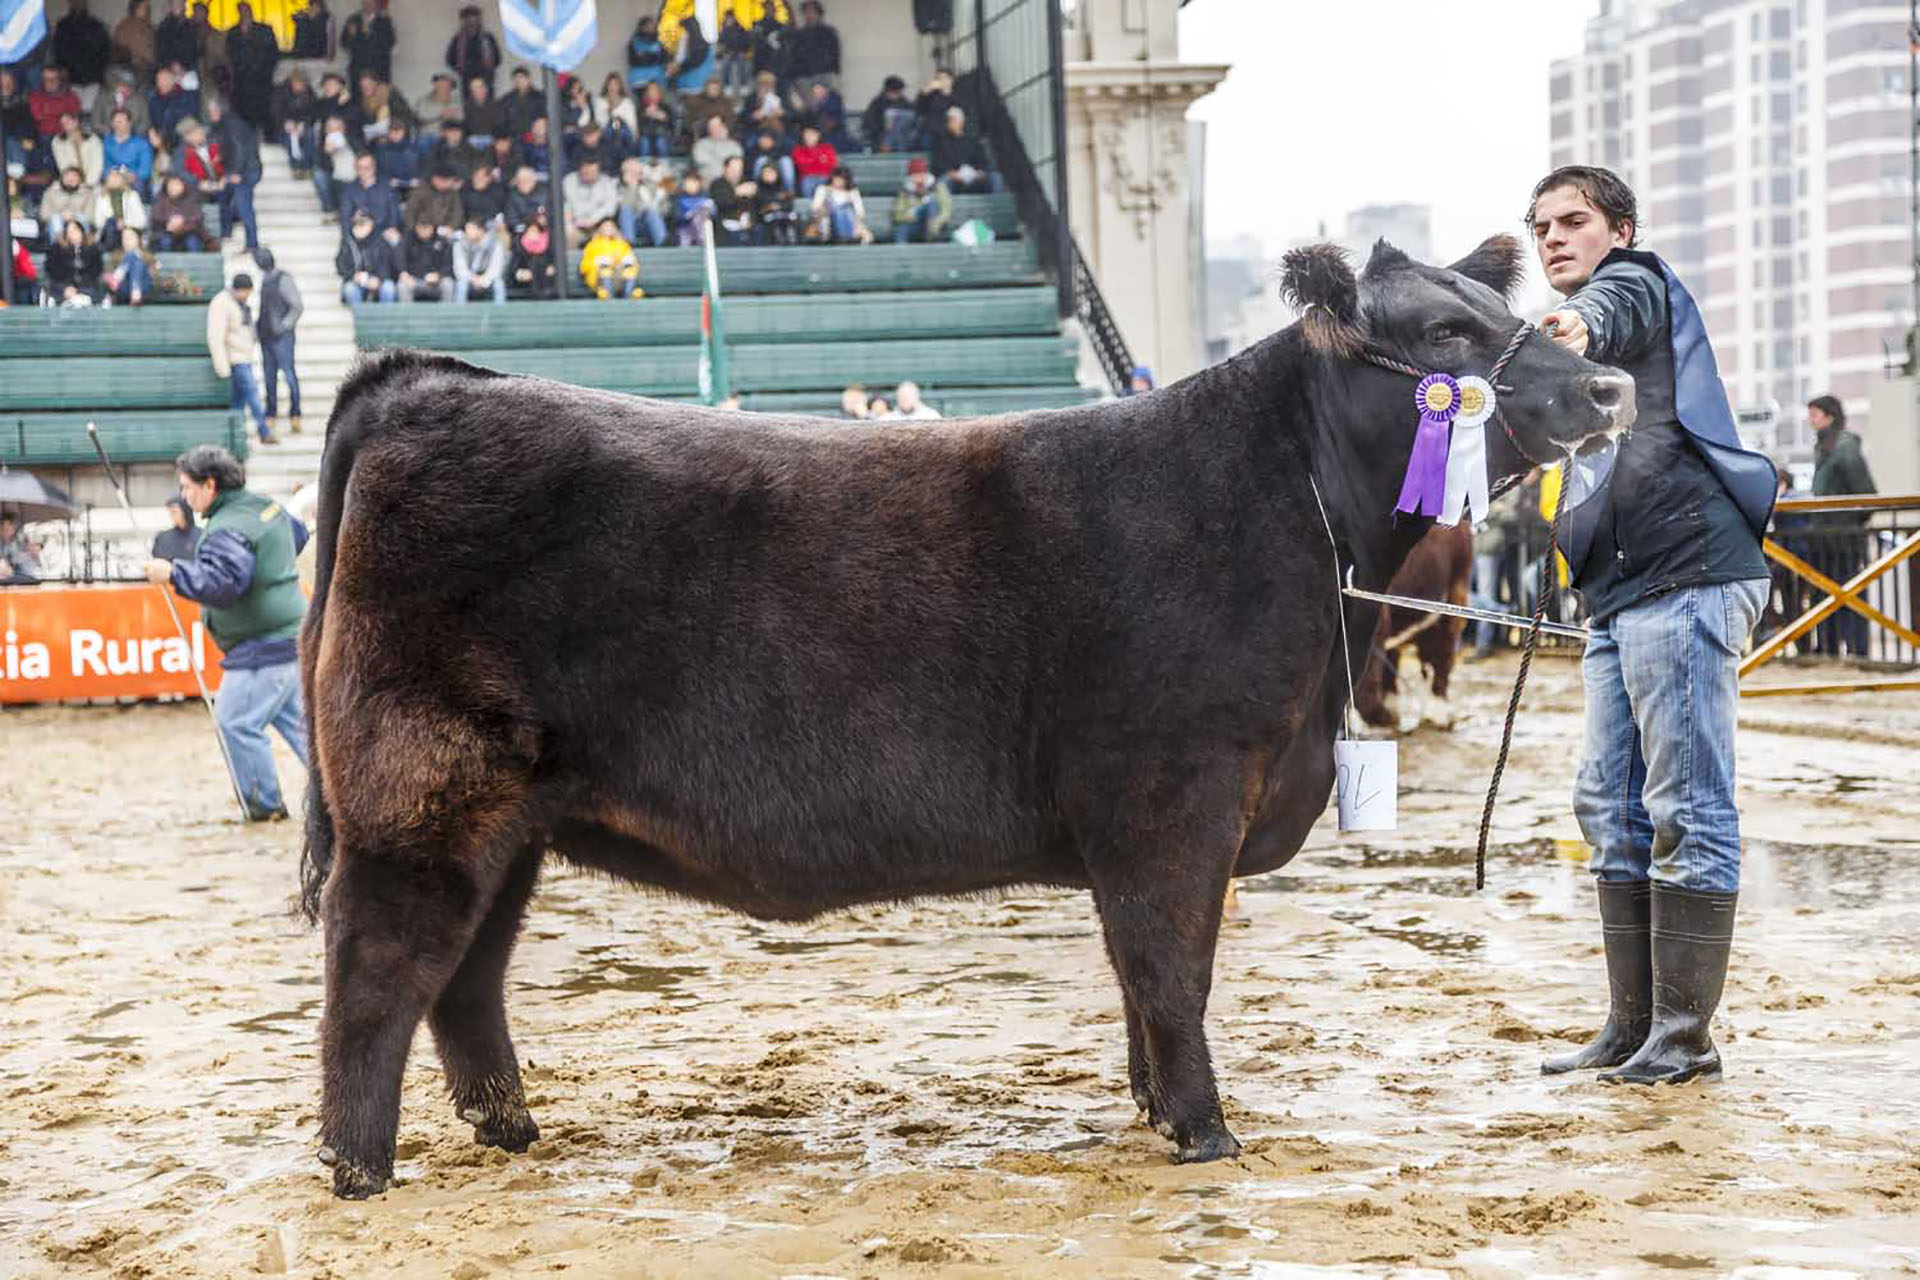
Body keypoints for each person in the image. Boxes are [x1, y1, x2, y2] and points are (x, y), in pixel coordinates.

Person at [1529, 165, 1776, 1087]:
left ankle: (1683, 1037)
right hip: (1621, 594)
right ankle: (1631, 1027)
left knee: (1685, 806)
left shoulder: (1632, 285)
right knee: (1609, 807)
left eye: (1575, 221)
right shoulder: (1569, 354)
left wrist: (1576, 323)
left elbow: (1615, 305)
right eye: (1541, 225)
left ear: (1620, 229)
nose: (1554, 236)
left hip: (1689, 576)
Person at [144, 445, 309, 822]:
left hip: (260, 648)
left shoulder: (226, 528)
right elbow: (296, 536)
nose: (185, 497)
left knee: (236, 723)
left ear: (210, 485)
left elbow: (223, 584)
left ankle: (265, 809)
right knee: (306, 732)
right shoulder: (266, 507)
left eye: (188, 488)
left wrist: (172, 573)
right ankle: (341, 799)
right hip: (292, 636)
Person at [1806, 394, 1878, 658]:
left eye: (1814, 414)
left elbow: (1866, 497)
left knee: (1851, 595)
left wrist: (1844, 523)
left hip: (1843, 539)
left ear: (1829, 416)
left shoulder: (1844, 448)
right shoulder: (1824, 447)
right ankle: (1830, 648)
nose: (1810, 420)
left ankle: (1857, 651)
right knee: (1826, 596)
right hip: (1825, 539)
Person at [208, 271, 272, 443]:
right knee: (252, 394)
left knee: (238, 403)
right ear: (239, 290)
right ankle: (264, 431)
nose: (247, 296)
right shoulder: (222, 303)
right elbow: (215, 336)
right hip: (235, 360)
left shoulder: (238, 303)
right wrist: (222, 367)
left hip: (245, 358)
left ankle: (233, 438)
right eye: (246, 292)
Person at [254, 247, 303, 435]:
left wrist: (284, 326)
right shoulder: (265, 279)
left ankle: (295, 414)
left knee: (289, 375)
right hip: (266, 336)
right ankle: (271, 413)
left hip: (282, 337)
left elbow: (297, 306)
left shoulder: (283, 278)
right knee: (269, 377)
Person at [206, 95, 261, 250]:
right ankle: (226, 233)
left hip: (245, 170)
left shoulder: (233, 124)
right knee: (223, 197)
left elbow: (240, 149)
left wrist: (236, 173)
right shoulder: (225, 124)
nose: (210, 115)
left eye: (211, 111)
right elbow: (230, 147)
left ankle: (252, 244)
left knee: (244, 206)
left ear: (218, 110)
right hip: (238, 168)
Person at [226, 3, 279, 136]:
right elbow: (229, 56)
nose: (245, 14)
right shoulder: (233, 33)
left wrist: (264, 72)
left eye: (247, 11)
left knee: (264, 114)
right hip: (241, 83)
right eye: (242, 11)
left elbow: (273, 54)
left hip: (261, 81)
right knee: (243, 116)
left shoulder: (264, 30)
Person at [336, 208, 396, 301]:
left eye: (363, 224)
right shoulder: (348, 242)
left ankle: (386, 315)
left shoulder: (380, 241)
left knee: (388, 288)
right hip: (356, 281)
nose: (359, 227)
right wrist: (353, 276)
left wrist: (379, 279)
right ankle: (359, 315)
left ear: (371, 225)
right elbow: (341, 265)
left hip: (377, 280)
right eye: (357, 224)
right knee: (350, 289)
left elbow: (387, 264)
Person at [931, 106, 993, 195]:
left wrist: (979, 171)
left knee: (995, 178)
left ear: (961, 121)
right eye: (950, 120)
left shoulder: (972, 140)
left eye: (955, 120)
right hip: (952, 176)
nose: (952, 122)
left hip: (973, 175)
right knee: (943, 182)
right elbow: (938, 163)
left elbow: (982, 160)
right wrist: (952, 173)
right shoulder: (940, 141)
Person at [562, 153, 618, 247]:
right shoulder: (569, 181)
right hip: (576, 224)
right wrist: (571, 219)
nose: (590, 174)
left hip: (598, 224)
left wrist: (593, 220)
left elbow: (610, 207)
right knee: (567, 230)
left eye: (593, 171)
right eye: (586, 171)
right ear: (580, 169)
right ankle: (569, 261)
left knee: (609, 229)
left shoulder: (606, 182)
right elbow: (565, 205)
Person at [45, 220, 106, 304]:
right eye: (69, 232)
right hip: (63, 287)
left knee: (90, 295)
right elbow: (53, 272)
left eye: (75, 230)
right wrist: (66, 287)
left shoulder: (93, 249)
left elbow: (96, 271)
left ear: (81, 231)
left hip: (87, 287)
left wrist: (79, 289)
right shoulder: (57, 249)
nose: (73, 234)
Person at [890, 157, 950, 244]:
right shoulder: (905, 190)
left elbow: (946, 209)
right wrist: (908, 216)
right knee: (900, 228)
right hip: (914, 222)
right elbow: (898, 214)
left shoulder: (937, 186)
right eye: (916, 174)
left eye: (922, 173)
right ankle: (900, 251)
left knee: (931, 203)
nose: (919, 177)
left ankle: (932, 237)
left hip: (936, 224)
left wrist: (938, 221)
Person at [337, 148, 399, 232]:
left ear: (374, 167)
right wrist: (353, 221)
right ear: (355, 169)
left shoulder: (387, 188)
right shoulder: (349, 190)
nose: (363, 171)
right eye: (359, 168)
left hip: (383, 234)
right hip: (359, 234)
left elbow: (394, 216)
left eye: (367, 168)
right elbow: (345, 219)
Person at [786, 1, 840, 96]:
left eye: (812, 11)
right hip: (803, 76)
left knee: (822, 102)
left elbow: (834, 53)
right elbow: (794, 55)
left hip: (823, 74)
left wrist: (834, 71)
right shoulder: (799, 34)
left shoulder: (828, 32)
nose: (809, 14)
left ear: (819, 13)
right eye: (806, 11)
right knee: (806, 103)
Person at [614, 155, 669, 247]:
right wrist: (632, 187)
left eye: (635, 171)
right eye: (630, 171)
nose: (633, 174)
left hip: (650, 223)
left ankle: (662, 242)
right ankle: (629, 244)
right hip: (629, 224)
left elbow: (665, 207)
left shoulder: (651, 185)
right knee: (625, 210)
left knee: (650, 212)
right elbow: (624, 206)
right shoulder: (619, 187)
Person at [579, 216, 640, 299]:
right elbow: (583, 267)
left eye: (611, 226)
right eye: (605, 227)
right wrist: (598, 262)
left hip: (618, 276)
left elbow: (633, 262)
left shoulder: (622, 244)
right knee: (605, 271)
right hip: (598, 279)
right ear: (599, 229)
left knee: (629, 271)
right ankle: (608, 296)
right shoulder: (592, 245)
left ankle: (628, 295)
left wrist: (622, 263)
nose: (609, 229)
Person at [445, 5, 500, 97]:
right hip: (467, 80)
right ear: (463, 21)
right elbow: (450, 59)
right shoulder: (458, 40)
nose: (471, 22)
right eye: (468, 19)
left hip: (486, 79)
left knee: (488, 105)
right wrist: (461, 70)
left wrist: (487, 70)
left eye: (474, 19)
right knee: (469, 105)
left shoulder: (487, 38)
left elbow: (497, 59)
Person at [340, 0, 395, 90]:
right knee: (357, 98)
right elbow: (344, 43)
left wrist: (371, 36)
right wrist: (351, 35)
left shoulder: (384, 21)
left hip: (379, 68)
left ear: (376, 5)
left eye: (370, 3)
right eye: (365, 3)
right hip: (358, 68)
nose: (367, 5)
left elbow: (390, 42)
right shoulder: (353, 19)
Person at [808, 164, 869, 244]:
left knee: (845, 211)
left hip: (850, 223)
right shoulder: (822, 189)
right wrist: (825, 209)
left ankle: (846, 237)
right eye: (837, 178)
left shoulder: (853, 192)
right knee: (836, 210)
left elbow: (860, 212)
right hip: (827, 222)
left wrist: (856, 222)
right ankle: (839, 237)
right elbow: (815, 208)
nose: (839, 181)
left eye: (842, 179)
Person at [451, 216, 505, 303]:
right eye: (466, 229)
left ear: (481, 230)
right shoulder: (459, 245)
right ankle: (460, 314)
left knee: (498, 283)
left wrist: (483, 280)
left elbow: (496, 268)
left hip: (488, 279)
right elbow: (460, 269)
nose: (467, 232)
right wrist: (473, 279)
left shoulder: (495, 245)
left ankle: (500, 314)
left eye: (471, 228)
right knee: (461, 284)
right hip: (469, 279)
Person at [102, 106, 154, 195]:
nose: (117, 124)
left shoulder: (142, 143)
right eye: (115, 121)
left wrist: (128, 176)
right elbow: (104, 166)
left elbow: (145, 171)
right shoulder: (106, 142)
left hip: (134, 182)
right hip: (112, 180)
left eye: (121, 121)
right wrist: (113, 175)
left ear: (129, 123)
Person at [150, 172, 209, 249]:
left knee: (192, 242)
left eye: (177, 185)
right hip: (165, 232)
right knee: (165, 242)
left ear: (183, 186)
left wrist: (182, 223)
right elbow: (155, 217)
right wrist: (169, 222)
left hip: (189, 232)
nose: (174, 188)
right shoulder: (160, 199)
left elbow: (198, 217)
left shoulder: (192, 199)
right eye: (171, 185)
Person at [396, 219, 451, 303]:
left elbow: (448, 264)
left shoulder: (442, 241)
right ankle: (406, 315)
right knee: (403, 285)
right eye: (420, 228)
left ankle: (446, 315)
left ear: (432, 228)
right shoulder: (408, 240)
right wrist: (404, 273)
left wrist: (439, 275)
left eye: (426, 228)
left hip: (435, 282)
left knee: (448, 284)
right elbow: (399, 258)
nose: (423, 231)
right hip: (414, 280)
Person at [39, 165, 98, 240]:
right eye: (67, 176)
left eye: (74, 176)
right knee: (55, 219)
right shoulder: (50, 192)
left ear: (80, 179)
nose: (70, 179)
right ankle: (59, 244)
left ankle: (82, 245)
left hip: (79, 221)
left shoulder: (87, 194)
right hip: (56, 223)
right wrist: (61, 215)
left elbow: (90, 216)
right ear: (61, 179)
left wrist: (73, 216)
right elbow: (44, 214)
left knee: (83, 219)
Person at [404, 165, 465, 236]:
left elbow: (457, 212)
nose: (450, 184)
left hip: (443, 230)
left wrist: (451, 226)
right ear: (437, 179)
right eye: (447, 181)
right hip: (422, 229)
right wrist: (414, 228)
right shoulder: (421, 190)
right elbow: (410, 211)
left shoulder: (452, 193)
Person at [862, 74, 916, 153]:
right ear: (888, 91)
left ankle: (888, 143)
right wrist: (883, 125)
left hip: (900, 140)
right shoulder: (877, 103)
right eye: (895, 92)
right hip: (881, 138)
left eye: (899, 92)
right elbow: (868, 123)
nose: (898, 94)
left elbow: (913, 120)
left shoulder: (904, 102)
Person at [104, 223, 156, 304]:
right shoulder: (115, 256)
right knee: (131, 257)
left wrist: (151, 271)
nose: (127, 241)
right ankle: (135, 291)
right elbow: (107, 273)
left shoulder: (148, 256)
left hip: (144, 288)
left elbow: (154, 277)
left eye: (130, 237)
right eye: (124, 238)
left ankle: (121, 273)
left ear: (138, 239)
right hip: (123, 288)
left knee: (137, 262)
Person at [509, 211, 557, 298]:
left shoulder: (549, 247)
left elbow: (556, 264)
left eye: (537, 231)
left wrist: (553, 268)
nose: (534, 235)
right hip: (523, 289)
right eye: (531, 231)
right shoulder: (519, 248)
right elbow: (512, 270)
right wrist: (520, 274)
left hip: (548, 289)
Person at [110, 1, 159, 83]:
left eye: (147, 8)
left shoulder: (149, 26)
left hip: (144, 67)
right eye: (144, 7)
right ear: (136, 8)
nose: (146, 10)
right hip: (131, 67)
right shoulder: (126, 26)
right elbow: (143, 49)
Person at [30, 67, 82, 139]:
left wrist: (53, 115)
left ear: (59, 80)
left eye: (53, 79)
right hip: (46, 135)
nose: (50, 83)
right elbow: (38, 118)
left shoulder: (70, 96)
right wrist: (61, 117)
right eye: (46, 80)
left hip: (67, 133)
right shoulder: (36, 97)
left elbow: (74, 114)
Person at [752, 160, 795, 245]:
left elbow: (789, 205)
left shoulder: (782, 189)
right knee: (773, 220)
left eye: (771, 172)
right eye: (766, 173)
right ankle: (778, 242)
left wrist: (778, 206)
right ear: (761, 175)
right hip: (765, 218)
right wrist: (769, 207)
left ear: (777, 174)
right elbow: (757, 208)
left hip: (782, 215)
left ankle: (792, 242)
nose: (769, 175)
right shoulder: (758, 189)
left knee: (791, 218)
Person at [53, 112, 102, 187]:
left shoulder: (93, 139)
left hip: (93, 183)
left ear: (76, 121)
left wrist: (89, 184)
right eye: (62, 123)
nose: (65, 125)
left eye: (68, 121)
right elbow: (63, 166)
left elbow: (97, 165)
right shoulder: (57, 142)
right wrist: (75, 183)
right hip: (70, 183)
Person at [692, 113, 741, 184]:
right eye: (711, 126)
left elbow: (737, 166)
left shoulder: (734, 146)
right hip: (708, 183)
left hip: (730, 184)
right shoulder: (700, 145)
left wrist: (723, 141)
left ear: (724, 127)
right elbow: (707, 166)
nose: (713, 129)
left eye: (717, 126)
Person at [789, 120, 834, 198]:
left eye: (813, 134)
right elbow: (802, 167)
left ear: (818, 135)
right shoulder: (798, 149)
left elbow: (831, 165)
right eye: (807, 134)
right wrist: (819, 160)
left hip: (825, 177)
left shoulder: (827, 148)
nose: (810, 137)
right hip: (807, 178)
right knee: (807, 183)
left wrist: (810, 160)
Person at [670, 170, 716, 245]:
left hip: (703, 228)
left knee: (700, 217)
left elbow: (713, 213)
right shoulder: (678, 198)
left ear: (699, 184)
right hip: (684, 230)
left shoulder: (705, 197)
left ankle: (703, 241)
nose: (691, 185)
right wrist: (689, 215)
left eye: (694, 182)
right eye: (688, 182)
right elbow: (676, 216)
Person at [0, 514, 46, 585]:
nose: (5, 532)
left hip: (30, 576)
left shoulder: (21, 540)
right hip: (16, 576)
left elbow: (37, 547)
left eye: (8, 528)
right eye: (3, 529)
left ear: (13, 528)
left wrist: (35, 547)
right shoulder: (4, 545)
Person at [627, 15, 669, 92]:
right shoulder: (635, 42)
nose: (650, 28)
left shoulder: (659, 42)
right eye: (647, 26)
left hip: (658, 79)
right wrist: (655, 56)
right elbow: (635, 61)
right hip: (640, 81)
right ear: (641, 27)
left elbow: (665, 57)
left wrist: (647, 56)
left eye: (652, 26)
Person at [715, 10, 754, 95]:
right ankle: (726, 85)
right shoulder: (724, 30)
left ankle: (744, 85)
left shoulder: (740, 29)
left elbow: (746, 42)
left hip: (739, 52)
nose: (729, 20)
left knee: (742, 64)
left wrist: (742, 51)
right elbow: (721, 43)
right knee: (726, 64)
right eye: (727, 18)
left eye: (730, 18)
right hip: (728, 53)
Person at [152, 496, 200, 562]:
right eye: (170, 512)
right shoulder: (163, 538)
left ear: (185, 512)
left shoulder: (202, 536)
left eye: (174, 512)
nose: (172, 515)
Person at [461, 159, 507, 227]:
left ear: (489, 178)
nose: (478, 180)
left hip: (493, 226)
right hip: (472, 226)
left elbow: (499, 213)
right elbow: (463, 214)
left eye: (482, 177)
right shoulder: (466, 191)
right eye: (476, 177)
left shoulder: (498, 191)